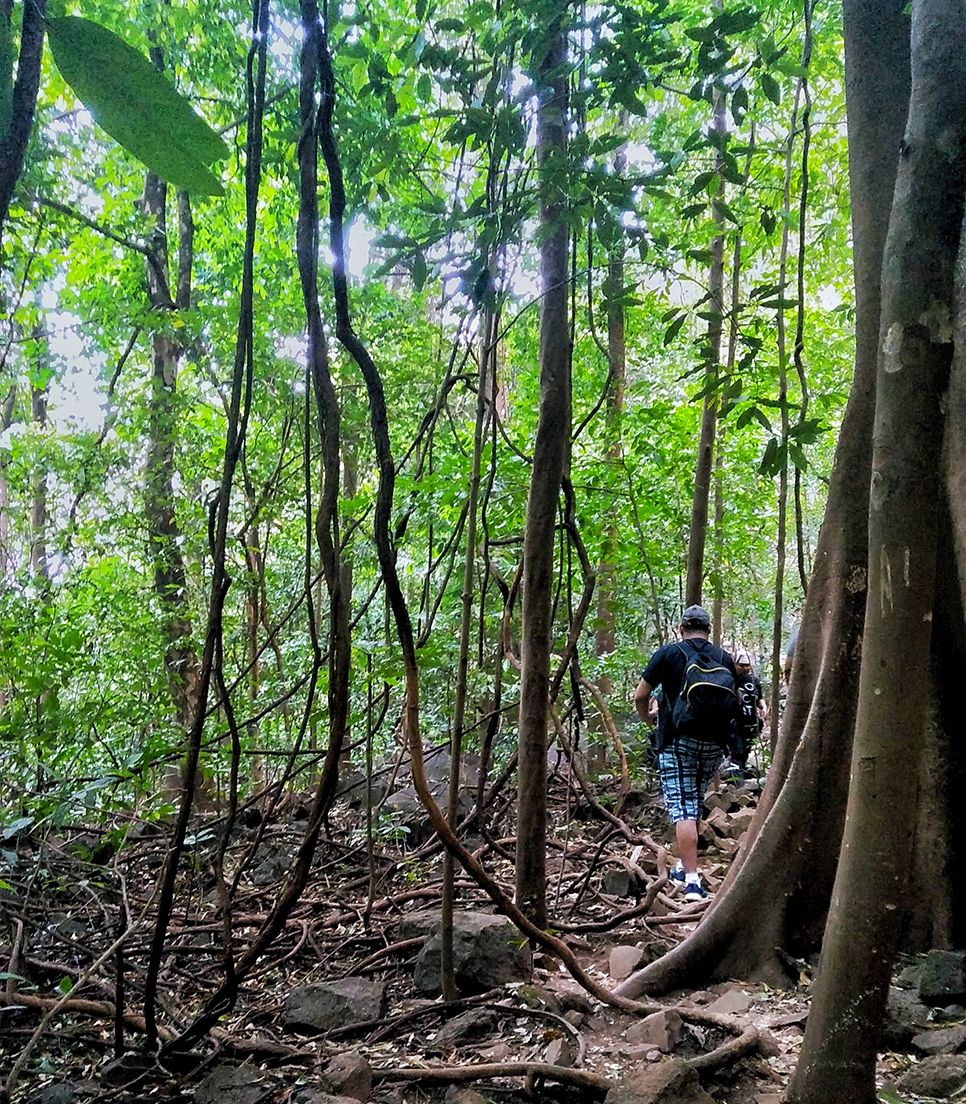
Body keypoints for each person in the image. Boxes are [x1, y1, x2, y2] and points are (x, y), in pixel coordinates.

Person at [634, 605, 737, 902]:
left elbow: (641, 695)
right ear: (707, 630)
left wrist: (650, 718)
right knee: (692, 804)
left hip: (676, 740)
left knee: (683, 809)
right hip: (713, 744)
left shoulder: (668, 654)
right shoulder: (723, 658)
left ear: (682, 628)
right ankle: (683, 865)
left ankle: (692, 881)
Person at [731, 650, 766, 779]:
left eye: (747, 665)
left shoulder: (753, 680)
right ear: (734, 664)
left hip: (751, 724)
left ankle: (738, 776)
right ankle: (737, 784)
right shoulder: (729, 680)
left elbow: (759, 698)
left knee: (745, 752)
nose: (745, 668)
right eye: (741, 665)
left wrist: (763, 706)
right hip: (734, 725)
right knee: (738, 752)